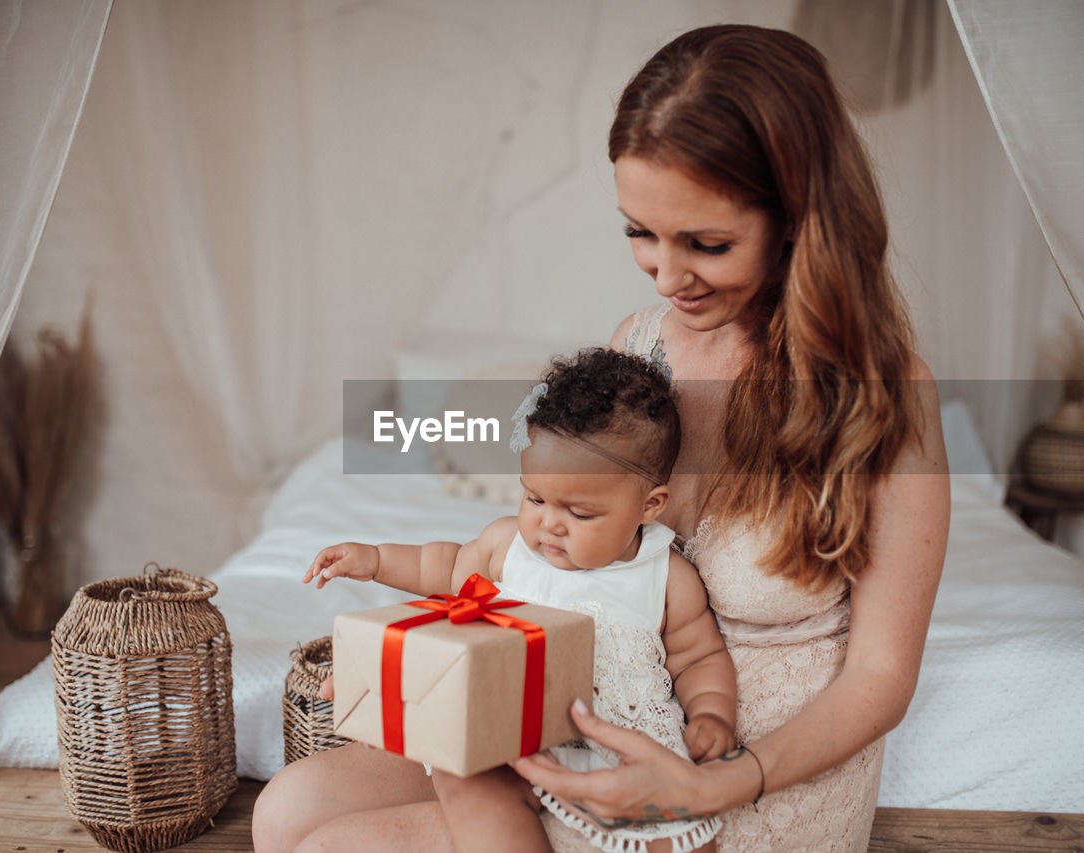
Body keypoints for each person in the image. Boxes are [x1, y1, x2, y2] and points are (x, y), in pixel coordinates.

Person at [253, 22, 948, 852]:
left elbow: (880, 677)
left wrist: (709, 777)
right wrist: (414, 669)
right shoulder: (640, 346)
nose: (666, 274)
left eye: (708, 243)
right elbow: (545, 563)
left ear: (799, 215)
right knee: (290, 807)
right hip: (586, 712)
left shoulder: (881, 394)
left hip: (753, 773)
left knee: (337, 846)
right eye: (639, 232)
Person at [301, 347, 737, 853]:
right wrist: (374, 559)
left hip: (615, 749)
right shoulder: (507, 545)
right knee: (472, 784)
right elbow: (438, 566)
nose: (549, 523)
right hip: (506, 735)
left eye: (580, 512)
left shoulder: (666, 577)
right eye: (535, 498)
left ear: (649, 505)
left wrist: (712, 714)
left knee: (673, 835)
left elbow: (700, 657)